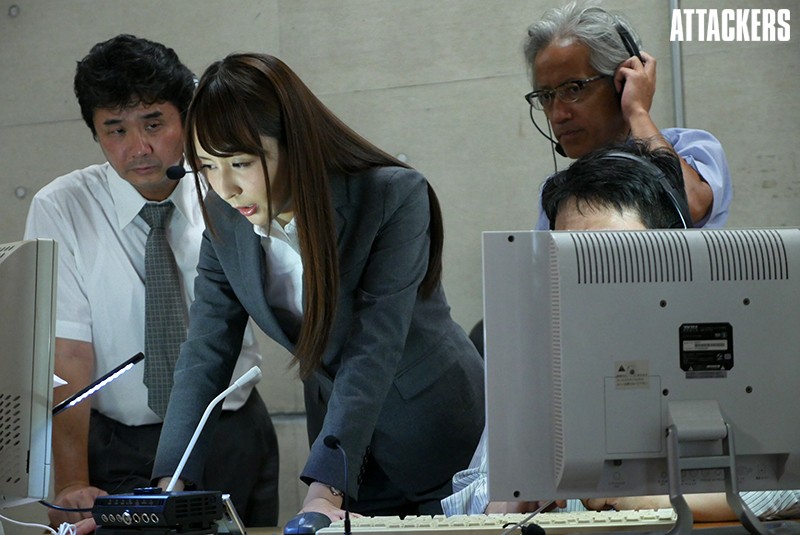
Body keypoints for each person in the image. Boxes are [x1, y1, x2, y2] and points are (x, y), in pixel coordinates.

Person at [151, 53, 485, 521]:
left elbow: (375, 343)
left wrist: (325, 490)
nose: (224, 187)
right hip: (344, 448)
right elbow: (205, 352)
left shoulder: (392, 195)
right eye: (206, 166)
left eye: (240, 163)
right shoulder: (225, 225)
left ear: (294, 143)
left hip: (435, 431)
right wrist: (170, 484)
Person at [442, 142, 800, 522]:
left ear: (675, 259)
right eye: (570, 260)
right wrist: (500, 504)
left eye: (613, 258)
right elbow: (469, 498)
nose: (590, 282)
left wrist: (664, 501)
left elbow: (789, 478)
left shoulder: (732, 351)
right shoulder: (540, 363)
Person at [23, 35, 279, 534]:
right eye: (115, 129)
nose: (138, 148)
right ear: (96, 133)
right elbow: (67, 354)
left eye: (154, 124)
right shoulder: (63, 207)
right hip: (120, 445)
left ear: (186, 118)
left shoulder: (227, 185)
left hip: (231, 430)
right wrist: (72, 481)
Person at [524, 0, 733, 230]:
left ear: (622, 81)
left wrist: (637, 111)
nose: (557, 115)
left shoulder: (693, 149)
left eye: (573, 89)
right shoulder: (560, 192)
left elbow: (687, 205)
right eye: (546, 96)